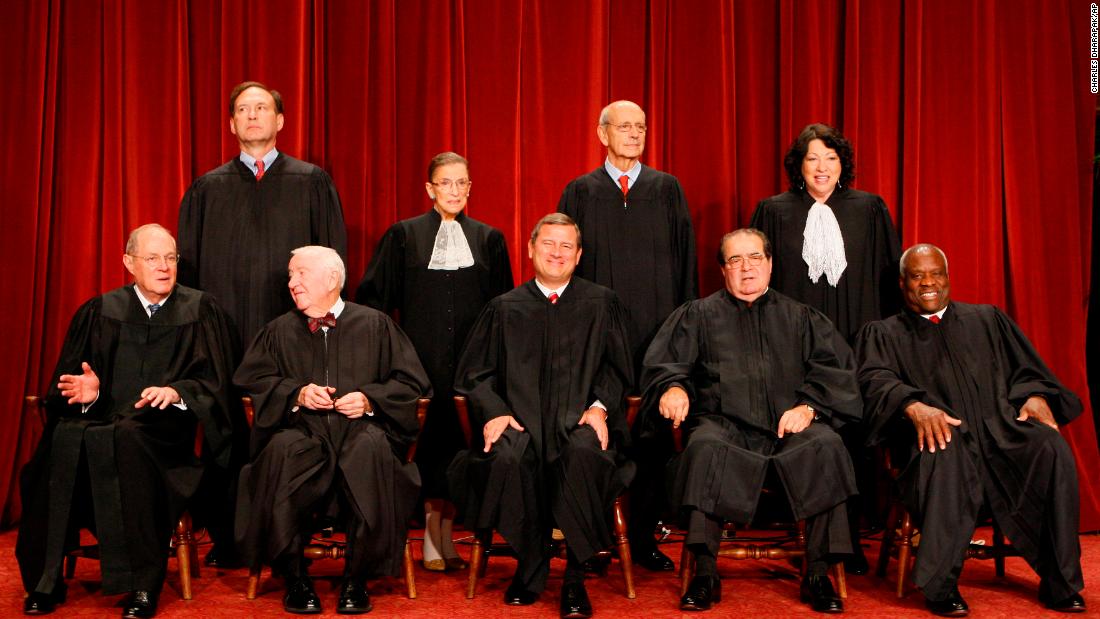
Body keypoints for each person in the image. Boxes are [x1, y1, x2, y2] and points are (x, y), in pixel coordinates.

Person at [17, 224, 238, 618]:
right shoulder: (100, 311)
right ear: (128, 263)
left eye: (171, 257)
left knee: (129, 440)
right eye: (153, 258)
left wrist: (179, 393)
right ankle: (45, 580)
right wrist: (92, 394)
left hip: (162, 436)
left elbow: (218, 383)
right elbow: (66, 385)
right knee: (61, 442)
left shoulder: (201, 310)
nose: (164, 267)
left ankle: (141, 584)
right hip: (101, 423)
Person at [855, 244, 1086, 616]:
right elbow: (873, 381)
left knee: (1050, 448)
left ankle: (1062, 582)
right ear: (902, 283)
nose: (928, 282)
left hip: (1001, 433)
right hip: (939, 441)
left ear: (948, 278)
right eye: (917, 276)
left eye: (936, 274)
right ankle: (941, 584)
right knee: (943, 449)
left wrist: (1034, 395)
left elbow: (1025, 371)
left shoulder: (987, 320)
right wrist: (911, 404)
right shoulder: (883, 333)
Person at [643, 228, 861, 613]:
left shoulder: (801, 317)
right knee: (704, 447)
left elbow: (835, 372)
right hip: (723, 426)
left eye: (755, 258)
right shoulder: (697, 315)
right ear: (722, 269)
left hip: (787, 429)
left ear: (771, 264)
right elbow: (666, 365)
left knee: (827, 445)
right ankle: (705, 573)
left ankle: (818, 573)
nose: (747, 268)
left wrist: (808, 408)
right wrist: (673, 388)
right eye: (735, 260)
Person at [177, 80, 346, 566]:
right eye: (243, 110)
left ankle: (291, 535)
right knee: (227, 426)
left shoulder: (311, 181)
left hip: (294, 332)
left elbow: (332, 260)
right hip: (222, 330)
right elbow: (187, 268)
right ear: (231, 124)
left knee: (294, 423)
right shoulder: (208, 188)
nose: (253, 116)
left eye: (262, 108)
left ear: (280, 121)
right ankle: (232, 537)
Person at [448, 213, 634, 619]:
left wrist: (600, 408)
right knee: (508, 458)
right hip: (521, 422)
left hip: (580, 422)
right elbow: (474, 374)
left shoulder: (601, 303)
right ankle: (529, 566)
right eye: (548, 243)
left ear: (579, 254)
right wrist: (495, 411)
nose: (557, 252)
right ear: (530, 248)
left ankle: (573, 578)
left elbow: (618, 370)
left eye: (567, 246)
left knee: (584, 455)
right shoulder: (503, 308)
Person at [234, 246, 431, 614]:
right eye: (290, 275)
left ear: (332, 279)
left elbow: (411, 385)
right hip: (303, 435)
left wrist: (371, 400)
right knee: (281, 452)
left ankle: (356, 580)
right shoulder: (277, 332)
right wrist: (296, 393)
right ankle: (295, 579)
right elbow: (252, 381)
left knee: (370, 450)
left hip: (360, 433)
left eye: (301, 273)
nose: (292, 283)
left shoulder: (376, 325)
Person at [750, 123, 901, 573]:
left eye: (831, 158)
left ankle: (848, 538)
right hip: (792, 346)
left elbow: (889, 280)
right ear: (798, 165)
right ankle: (803, 525)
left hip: (855, 340)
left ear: (843, 165)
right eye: (813, 158)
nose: (822, 167)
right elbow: (757, 282)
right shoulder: (773, 211)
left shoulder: (870, 209)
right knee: (807, 433)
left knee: (851, 436)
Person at [356, 151, 512, 573]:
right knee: (426, 444)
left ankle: (445, 532)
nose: (455, 191)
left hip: (472, 367)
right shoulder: (403, 236)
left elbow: (504, 309)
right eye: (446, 183)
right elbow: (373, 304)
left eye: (462, 183)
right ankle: (430, 531)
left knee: (461, 446)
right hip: (419, 365)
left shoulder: (489, 239)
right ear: (430, 189)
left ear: (470, 188)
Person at [558, 99, 696, 572]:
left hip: (658, 332)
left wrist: (685, 328)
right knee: (598, 429)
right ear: (602, 133)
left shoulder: (667, 189)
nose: (634, 135)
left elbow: (685, 265)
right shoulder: (579, 192)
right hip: (597, 336)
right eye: (624, 127)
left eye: (640, 127)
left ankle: (643, 538)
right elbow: (563, 265)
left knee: (652, 436)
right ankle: (593, 537)